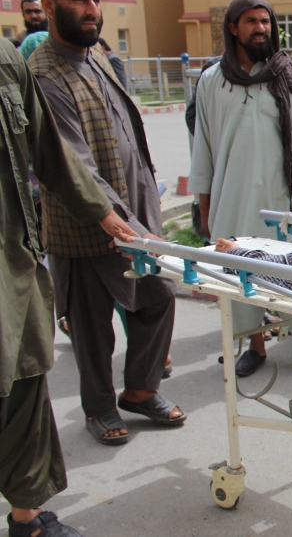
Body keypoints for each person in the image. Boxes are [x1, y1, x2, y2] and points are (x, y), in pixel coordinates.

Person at [29, 0, 183, 445]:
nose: (92, 8)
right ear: (50, 7)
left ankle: (138, 390)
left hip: (135, 213)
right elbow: (72, 162)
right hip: (85, 224)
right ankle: (98, 408)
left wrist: (145, 213)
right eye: (80, 0)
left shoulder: (97, 56)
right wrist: (114, 220)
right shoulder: (43, 74)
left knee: (157, 298)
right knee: (91, 328)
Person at [0, 35, 140, 537]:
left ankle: (27, 518)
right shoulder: (40, 66)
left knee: (23, 377)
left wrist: (108, 216)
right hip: (62, 249)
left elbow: (51, 154)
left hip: (11, 264)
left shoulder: (5, 61)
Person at [189, 0, 292, 378]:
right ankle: (255, 345)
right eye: (251, 21)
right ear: (233, 28)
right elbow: (202, 146)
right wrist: (204, 205)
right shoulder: (212, 81)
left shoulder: (291, 76)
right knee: (239, 273)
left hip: (280, 196)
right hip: (230, 195)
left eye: (265, 21)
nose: (261, 28)